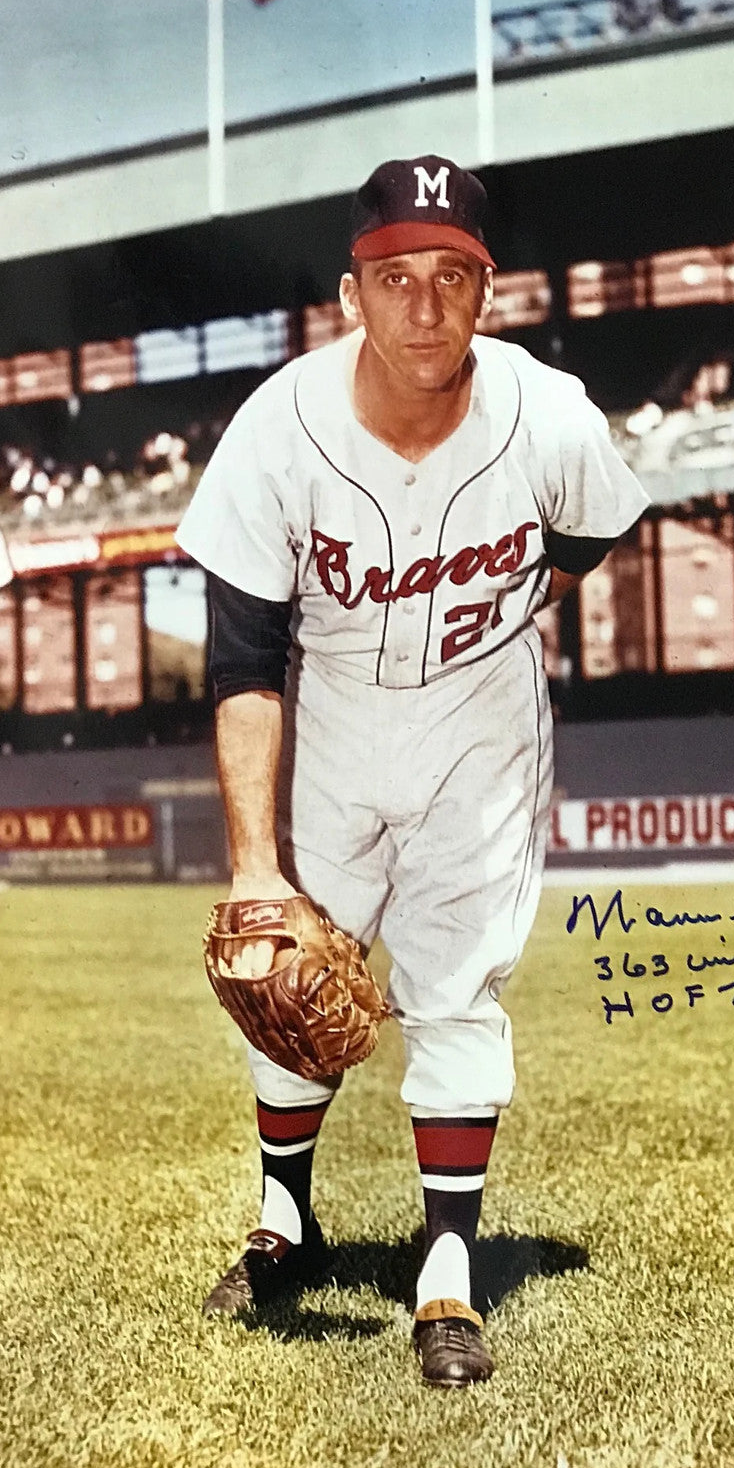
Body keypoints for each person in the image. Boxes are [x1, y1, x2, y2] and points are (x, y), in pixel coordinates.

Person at [175, 154, 649, 1388]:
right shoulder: (278, 427)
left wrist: (515, 602)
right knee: (288, 979)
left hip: (479, 726)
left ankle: (447, 1271)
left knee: (456, 988)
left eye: (453, 276)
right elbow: (242, 659)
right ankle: (283, 1221)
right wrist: (251, 865)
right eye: (397, 278)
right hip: (328, 719)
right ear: (352, 294)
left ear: (487, 293)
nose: (425, 306)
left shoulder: (548, 414)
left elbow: (598, 522)